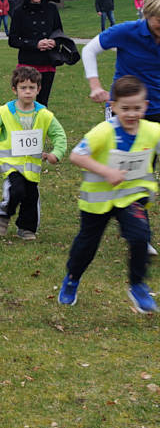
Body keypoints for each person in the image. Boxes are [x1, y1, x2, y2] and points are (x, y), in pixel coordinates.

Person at [59, 75, 159, 313]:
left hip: (131, 197)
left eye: (137, 108)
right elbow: (76, 156)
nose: (132, 114)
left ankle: (137, 285)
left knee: (139, 236)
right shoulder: (103, 132)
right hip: (98, 201)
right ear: (113, 107)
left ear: (145, 107)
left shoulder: (153, 131)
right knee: (86, 246)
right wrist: (106, 171)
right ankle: (72, 278)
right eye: (125, 109)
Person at [0, 67, 67, 241]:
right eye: (23, 88)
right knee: (16, 190)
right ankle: (5, 213)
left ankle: (26, 228)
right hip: (10, 163)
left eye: (32, 88)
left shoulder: (44, 114)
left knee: (31, 196)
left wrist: (56, 153)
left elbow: (59, 135)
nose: (28, 92)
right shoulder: (4, 112)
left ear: (38, 89)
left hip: (32, 166)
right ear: (15, 89)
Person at [83, 0, 160, 121]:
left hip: (157, 108)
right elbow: (89, 50)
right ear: (147, 15)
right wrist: (95, 86)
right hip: (123, 108)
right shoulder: (127, 31)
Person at [8, 0, 64, 106]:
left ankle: (42, 127)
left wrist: (54, 42)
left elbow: (60, 33)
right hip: (28, 63)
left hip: (48, 63)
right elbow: (13, 40)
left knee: (43, 103)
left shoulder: (52, 9)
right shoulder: (19, 11)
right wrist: (35, 44)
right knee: (26, 103)